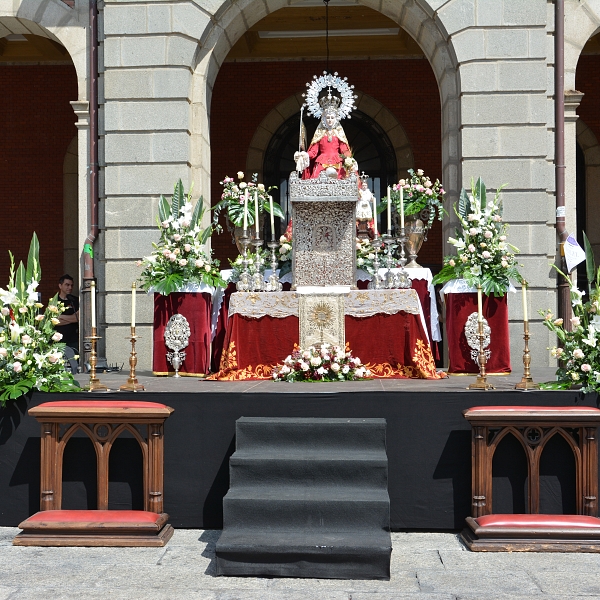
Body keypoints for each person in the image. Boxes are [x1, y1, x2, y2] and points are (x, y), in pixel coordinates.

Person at [294, 94, 356, 180]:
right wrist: (305, 155)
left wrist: (349, 158)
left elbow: (344, 149)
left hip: (337, 162)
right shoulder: (320, 134)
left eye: (332, 117)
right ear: (323, 119)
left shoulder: (338, 133)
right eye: (328, 117)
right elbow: (314, 151)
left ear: (336, 119)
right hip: (321, 163)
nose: (330, 120)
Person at [56, 274, 79, 353]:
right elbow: (54, 321)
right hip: (59, 340)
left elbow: (78, 318)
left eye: (71, 285)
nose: (70, 287)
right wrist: (72, 318)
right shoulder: (54, 301)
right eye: (67, 285)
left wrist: (61, 316)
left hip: (74, 340)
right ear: (60, 286)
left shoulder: (75, 300)